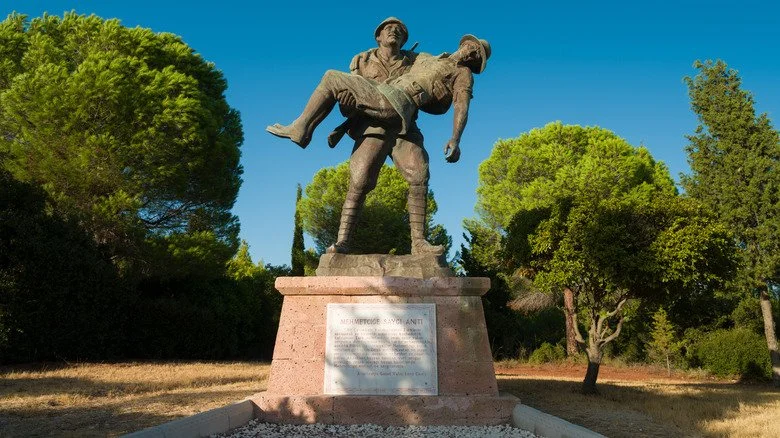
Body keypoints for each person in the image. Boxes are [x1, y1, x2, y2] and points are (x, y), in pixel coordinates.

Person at [267, 33, 491, 255]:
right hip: (381, 112)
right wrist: (360, 70)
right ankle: (342, 242)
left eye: (475, 53)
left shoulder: (462, 73)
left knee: (419, 174)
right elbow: (390, 53)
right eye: (470, 46)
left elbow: (461, 105)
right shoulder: (424, 57)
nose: (470, 51)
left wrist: (456, 137)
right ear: (463, 45)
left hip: (398, 107)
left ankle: (419, 242)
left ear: (475, 61)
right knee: (359, 180)